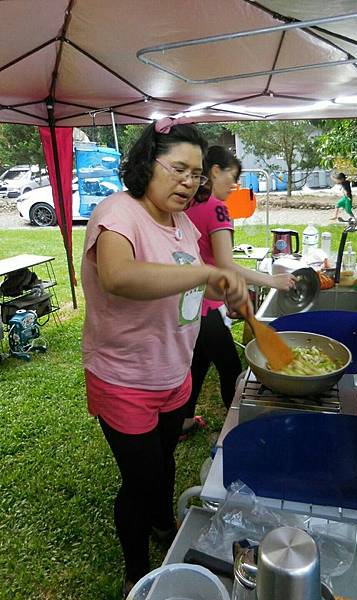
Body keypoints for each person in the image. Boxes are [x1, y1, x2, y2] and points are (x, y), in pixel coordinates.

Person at [80, 121, 249, 598]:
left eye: (196, 174)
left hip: (172, 370)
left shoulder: (178, 222)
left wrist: (219, 287)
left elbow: (188, 286)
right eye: (178, 169)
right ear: (145, 164)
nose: (188, 182)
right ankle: (136, 570)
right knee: (141, 479)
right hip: (123, 377)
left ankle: (160, 523)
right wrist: (203, 273)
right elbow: (118, 276)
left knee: (167, 457)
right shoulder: (117, 213)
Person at [181, 146, 297, 437]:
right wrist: (273, 282)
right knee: (233, 370)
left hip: (186, 302)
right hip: (208, 305)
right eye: (232, 179)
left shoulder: (186, 204)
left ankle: (181, 424)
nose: (234, 188)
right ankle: (242, 432)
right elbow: (226, 265)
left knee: (198, 362)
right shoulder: (218, 208)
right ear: (215, 171)